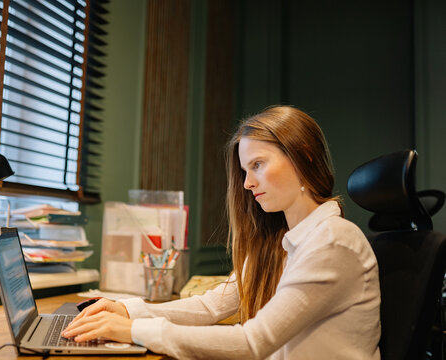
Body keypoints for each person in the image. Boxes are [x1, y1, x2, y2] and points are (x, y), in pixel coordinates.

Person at [62, 105, 381, 359]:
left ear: (304, 155)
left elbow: (254, 342)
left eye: (258, 164)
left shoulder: (333, 241)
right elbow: (213, 306)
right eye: (245, 171)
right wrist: (127, 309)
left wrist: (132, 329)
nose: (247, 183)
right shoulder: (284, 240)